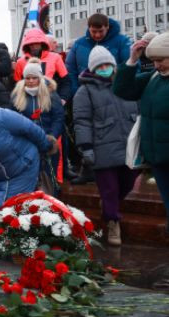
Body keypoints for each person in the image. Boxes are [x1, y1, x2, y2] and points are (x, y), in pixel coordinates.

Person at [73, 46, 139, 246]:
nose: (104, 68)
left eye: (107, 65)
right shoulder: (85, 91)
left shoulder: (125, 84)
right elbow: (81, 121)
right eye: (99, 66)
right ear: (93, 69)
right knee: (109, 189)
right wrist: (86, 147)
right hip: (102, 146)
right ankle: (112, 222)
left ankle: (110, 206)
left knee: (128, 182)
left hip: (128, 144)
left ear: (113, 65)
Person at [113, 32, 169, 236]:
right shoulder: (154, 77)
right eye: (153, 60)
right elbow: (122, 90)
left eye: (161, 59)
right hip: (157, 158)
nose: (156, 65)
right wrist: (132, 60)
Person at [11, 58, 65, 195]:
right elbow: (12, 119)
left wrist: (52, 137)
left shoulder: (51, 94)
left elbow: (58, 118)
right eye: (27, 78)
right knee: (28, 180)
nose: (30, 81)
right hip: (25, 145)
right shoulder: (17, 95)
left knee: (48, 179)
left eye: (34, 78)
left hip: (48, 143)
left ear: (40, 78)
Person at [66, 13, 132, 96]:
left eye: (101, 31)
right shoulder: (79, 44)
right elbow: (71, 70)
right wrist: (76, 91)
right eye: (93, 31)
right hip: (86, 94)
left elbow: (130, 66)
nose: (97, 35)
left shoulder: (122, 42)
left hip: (115, 93)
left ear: (107, 27)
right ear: (89, 28)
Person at [13, 28, 71, 102]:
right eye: (31, 44)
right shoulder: (20, 62)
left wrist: (63, 98)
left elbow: (66, 81)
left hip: (51, 100)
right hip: (29, 102)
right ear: (27, 45)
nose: (34, 46)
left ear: (42, 43)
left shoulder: (55, 58)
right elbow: (17, 85)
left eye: (37, 43)